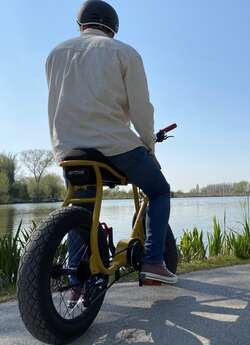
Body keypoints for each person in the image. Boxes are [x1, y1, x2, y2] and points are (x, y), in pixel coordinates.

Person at [46, 0, 178, 290]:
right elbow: (141, 109)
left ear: (81, 24)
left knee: (84, 206)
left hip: (69, 149)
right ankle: (154, 262)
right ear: (113, 28)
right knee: (159, 191)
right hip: (115, 147)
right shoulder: (124, 53)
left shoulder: (55, 54)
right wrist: (149, 148)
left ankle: (75, 286)